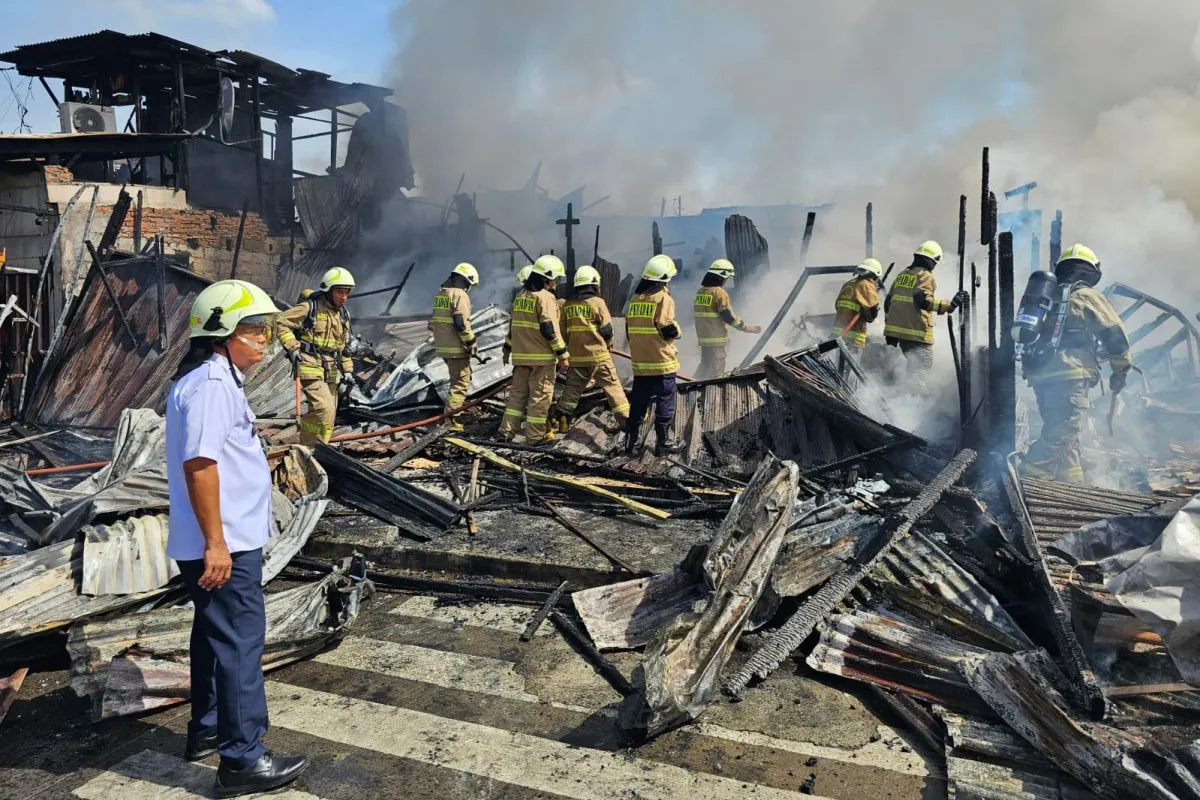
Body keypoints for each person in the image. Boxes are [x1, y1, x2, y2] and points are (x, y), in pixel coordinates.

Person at [166, 279, 308, 798]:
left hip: (218, 539)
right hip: (223, 544)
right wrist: (217, 544)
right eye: (254, 331)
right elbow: (201, 465)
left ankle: (206, 729)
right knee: (241, 645)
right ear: (222, 333)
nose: (263, 341)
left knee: (212, 636)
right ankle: (243, 758)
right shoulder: (211, 386)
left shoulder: (213, 380)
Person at [1019, 244, 1132, 484]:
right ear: (1089, 271)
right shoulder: (1085, 296)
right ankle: (1026, 485)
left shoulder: (1047, 297)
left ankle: (1073, 487)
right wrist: (1120, 371)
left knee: (1067, 438)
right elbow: (1115, 336)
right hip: (1070, 374)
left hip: (1041, 374)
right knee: (1061, 433)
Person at [275, 267, 356, 444]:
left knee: (329, 415)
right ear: (328, 290)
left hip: (332, 368)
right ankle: (310, 450)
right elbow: (281, 322)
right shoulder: (309, 308)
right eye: (340, 292)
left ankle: (318, 449)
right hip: (310, 363)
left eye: (347, 293)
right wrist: (293, 347)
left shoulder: (343, 314)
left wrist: (348, 371)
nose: (344, 297)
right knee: (323, 409)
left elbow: (344, 347)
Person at [497, 254, 569, 444]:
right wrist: (562, 354)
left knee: (516, 398)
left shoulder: (520, 297)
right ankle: (535, 438)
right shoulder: (545, 298)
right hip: (541, 360)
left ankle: (506, 433)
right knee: (540, 398)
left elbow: (513, 327)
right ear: (548, 277)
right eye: (556, 278)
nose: (556, 282)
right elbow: (549, 329)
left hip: (521, 358)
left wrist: (507, 350)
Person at [551, 265, 629, 432]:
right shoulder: (598, 302)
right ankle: (626, 420)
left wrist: (566, 352)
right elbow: (607, 329)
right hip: (598, 356)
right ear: (594, 284)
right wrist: (609, 345)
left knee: (571, 390)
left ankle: (563, 419)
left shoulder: (568, 305)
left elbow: (563, 333)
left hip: (577, 359)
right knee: (613, 387)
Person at [883, 241, 968, 389]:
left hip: (900, 336)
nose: (935, 266)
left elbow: (888, 303)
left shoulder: (902, 275)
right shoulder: (926, 276)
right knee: (920, 373)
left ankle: (900, 397)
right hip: (918, 334)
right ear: (930, 260)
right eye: (935, 262)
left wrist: (891, 330)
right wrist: (951, 305)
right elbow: (923, 301)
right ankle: (912, 403)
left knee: (912, 369)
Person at [625, 255, 684, 457]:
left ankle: (630, 442)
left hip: (641, 362)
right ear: (664, 278)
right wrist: (678, 330)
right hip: (661, 361)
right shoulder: (663, 298)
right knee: (665, 399)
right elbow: (667, 329)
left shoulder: (635, 299)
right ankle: (663, 442)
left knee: (639, 401)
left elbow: (628, 329)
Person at [429, 262, 480, 432]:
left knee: (455, 381)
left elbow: (433, 323)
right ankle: (451, 422)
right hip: (457, 348)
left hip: (443, 346)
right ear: (465, 281)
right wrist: (471, 342)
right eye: (469, 284)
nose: (468, 288)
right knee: (460, 383)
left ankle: (451, 415)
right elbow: (460, 323)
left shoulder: (440, 294)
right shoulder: (460, 295)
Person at [692, 259, 762, 379]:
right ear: (722, 276)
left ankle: (689, 385)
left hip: (704, 339)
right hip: (716, 340)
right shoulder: (719, 293)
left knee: (704, 367)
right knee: (717, 373)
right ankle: (713, 394)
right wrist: (747, 328)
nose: (726, 281)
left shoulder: (701, 292)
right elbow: (728, 316)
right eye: (727, 278)